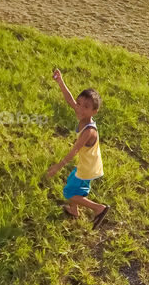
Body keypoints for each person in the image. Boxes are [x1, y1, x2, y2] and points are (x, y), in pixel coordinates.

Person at [45, 69, 110, 229]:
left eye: (86, 107)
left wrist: (57, 167)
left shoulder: (89, 131)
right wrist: (60, 81)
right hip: (87, 163)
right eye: (79, 103)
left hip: (88, 167)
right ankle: (74, 210)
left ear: (94, 112)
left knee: (69, 192)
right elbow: (69, 100)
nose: (79, 108)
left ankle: (98, 208)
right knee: (72, 183)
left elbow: (74, 150)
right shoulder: (82, 115)